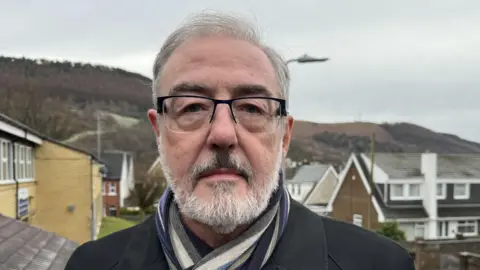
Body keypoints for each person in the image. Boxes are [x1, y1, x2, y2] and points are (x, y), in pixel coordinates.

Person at [65, 11, 415, 270]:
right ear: (159, 131)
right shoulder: (90, 265)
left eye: (251, 107)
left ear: (284, 135)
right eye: (192, 107)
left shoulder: (381, 264)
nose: (222, 134)